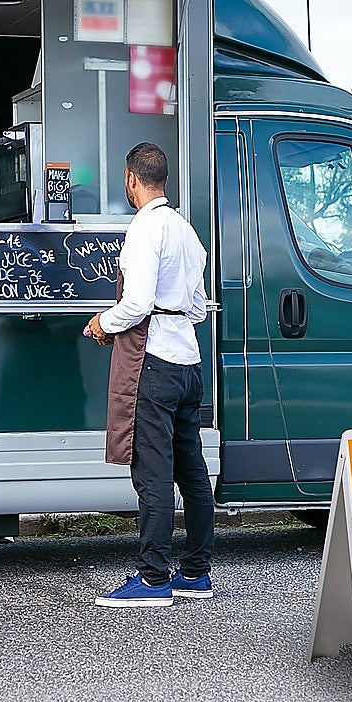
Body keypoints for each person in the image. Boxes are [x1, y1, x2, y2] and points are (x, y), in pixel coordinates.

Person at [87, 142, 214, 608]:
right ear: (163, 178)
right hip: (188, 364)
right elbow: (199, 307)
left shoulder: (145, 230)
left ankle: (154, 578)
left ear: (131, 179)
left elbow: (137, 304)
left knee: (154, 474)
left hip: (154, 363)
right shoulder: (186, 232)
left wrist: (103, 323)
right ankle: (196, 572)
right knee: (192, 471)